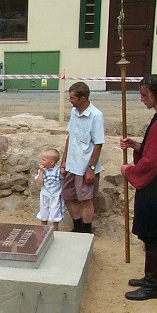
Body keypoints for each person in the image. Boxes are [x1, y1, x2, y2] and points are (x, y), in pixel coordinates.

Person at [120, 74, 157, 301]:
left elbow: (153, 160)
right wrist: (137, 145)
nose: (142, 99)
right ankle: (153, 277)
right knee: (154, 235)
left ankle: (153, 285)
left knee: (153, 235)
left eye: (145, 95)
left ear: (156, 93)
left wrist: (128, 171)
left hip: (156, 185)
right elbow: (155, 150)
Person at [61, 81, 104, 234]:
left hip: (85, 166)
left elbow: (98, 144)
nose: (70, 100)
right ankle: (77, 226)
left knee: (86, 199)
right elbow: (70, 137)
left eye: (72, 98)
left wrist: (91, 168)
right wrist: (64, 161)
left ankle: (86, 230)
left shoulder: (96, 116)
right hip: (72, 164)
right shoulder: (74, 113)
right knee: (67, 195)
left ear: (83, 98)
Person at [34, 148, 63, 229]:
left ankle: (55, 228)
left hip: (55, 196)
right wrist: (41, 172)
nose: (41, 161)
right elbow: (39, 183)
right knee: (44, 211)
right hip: (45, 195)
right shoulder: (41, 171)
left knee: (55, 212)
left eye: (43, 160)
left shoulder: (58, 170)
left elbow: (63, 179)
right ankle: (43, 227)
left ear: (51, 162)